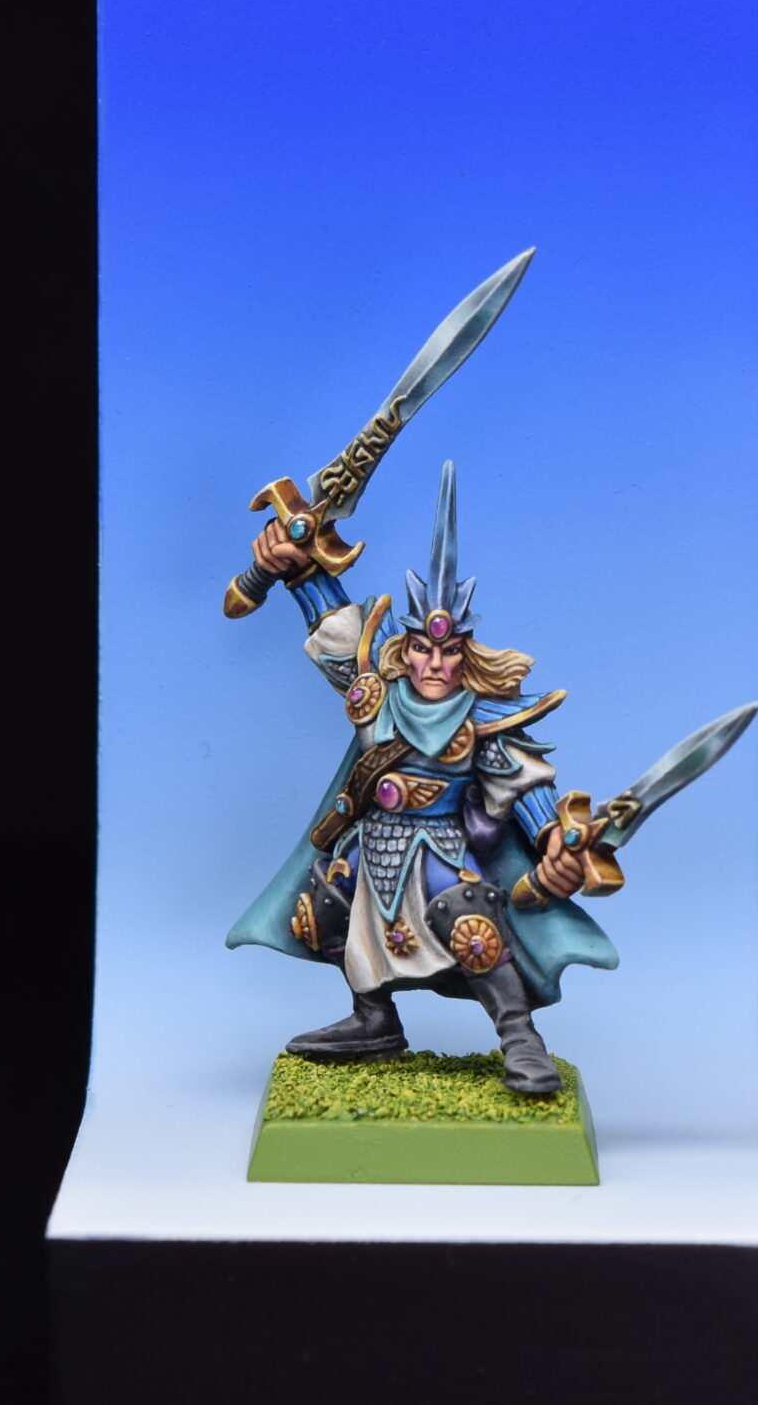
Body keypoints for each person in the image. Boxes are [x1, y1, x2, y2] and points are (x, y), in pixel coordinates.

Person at [224, 462, 617, 1094]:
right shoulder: (375, 695)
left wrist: (558, 847)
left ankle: (520, 1037)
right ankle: (373, 1019)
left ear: (464, 655)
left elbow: (530, 797)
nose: (434, 662)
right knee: (325, 906)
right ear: (405, 649)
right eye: (422, 648)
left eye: (449, 650)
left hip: (439, 848)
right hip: (370, 841)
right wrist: (293, 566)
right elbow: (333, 623)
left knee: (470, 921)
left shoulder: (484, 721)